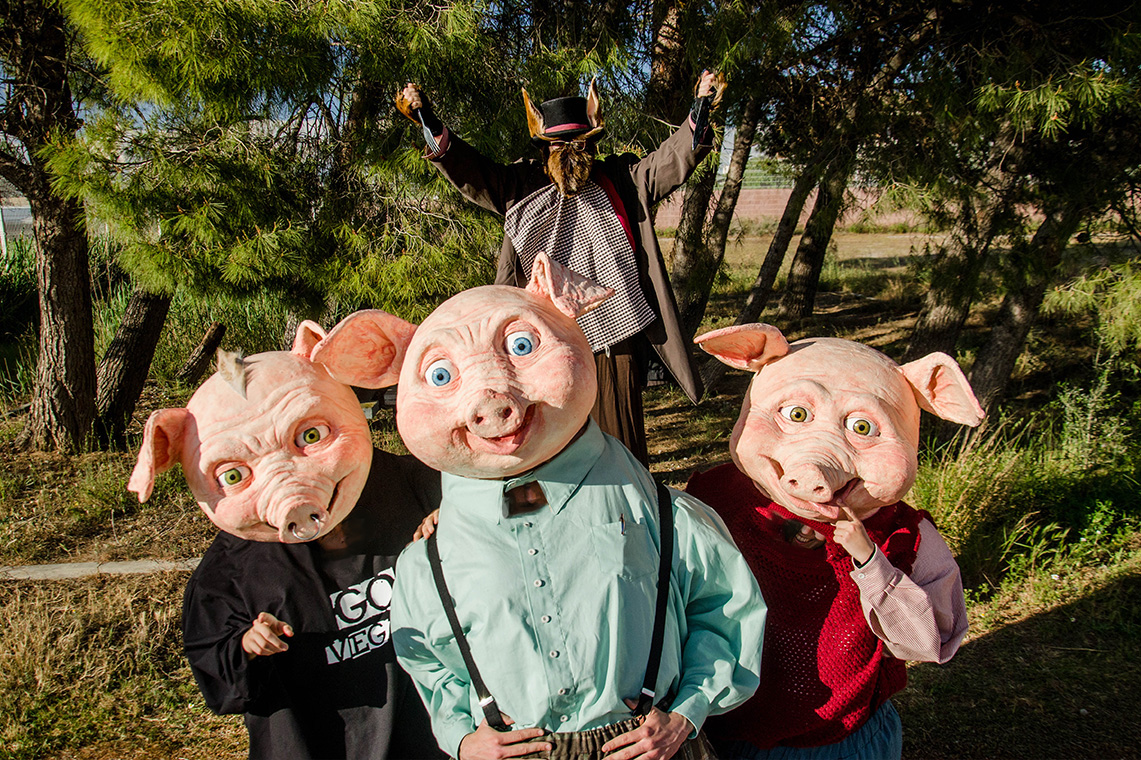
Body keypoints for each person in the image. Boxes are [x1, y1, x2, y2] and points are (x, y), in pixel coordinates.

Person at [394, 71, 725, 466]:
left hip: (612, 335)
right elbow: (467, 168)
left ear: (592, 143)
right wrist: (427, 119)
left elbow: (671, 159)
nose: (569, 151)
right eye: (559, 144)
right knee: (545, 445)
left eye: (579, 143)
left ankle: (628, 503)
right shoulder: (516, 185)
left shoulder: (623, 180)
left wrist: (700, 106)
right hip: (537, 344)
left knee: (619, 445)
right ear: (544, 148)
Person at [182, 447, 448, 760]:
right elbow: (215, 672)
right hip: (310, 743)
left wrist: (451, 517)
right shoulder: (233, 569)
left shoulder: (394, 484)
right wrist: (247, 646)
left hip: (420, 735)